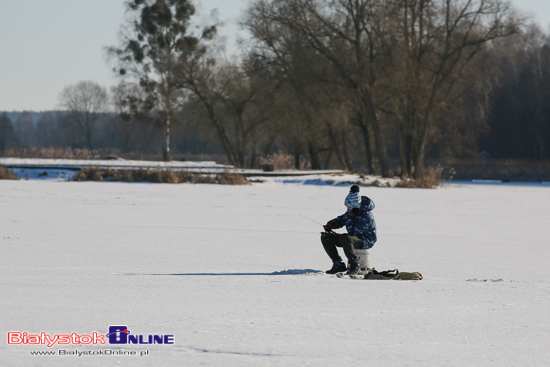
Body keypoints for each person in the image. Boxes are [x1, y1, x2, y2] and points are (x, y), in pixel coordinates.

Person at [321, 185, 377, 275]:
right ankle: (338, 263)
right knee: (326, 237)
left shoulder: (366, 216)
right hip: (350, 239)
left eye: (349, 207)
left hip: (365, 240)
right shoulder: (350, 213)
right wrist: (331, 224)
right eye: (347, 207)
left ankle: (355, 264)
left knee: (345, 238)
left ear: (356, 207)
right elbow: (341, 220)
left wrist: (351, 217)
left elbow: (356, 231)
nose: (348, 209)